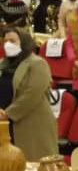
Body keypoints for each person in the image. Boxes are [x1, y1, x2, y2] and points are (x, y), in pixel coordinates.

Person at [0, 27, 57, 160]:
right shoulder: (2, 63)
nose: (8, 44)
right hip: (4, 122)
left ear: (24, 42)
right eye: (5, 41)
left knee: (32, 163)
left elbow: (32, 94)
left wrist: (8, 114)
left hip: (31, 122)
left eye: (12, 41)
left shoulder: (38, 63)